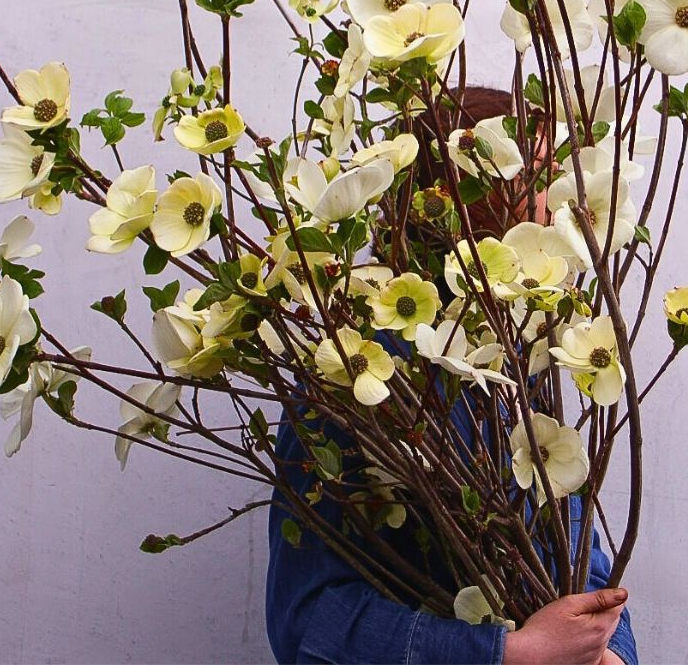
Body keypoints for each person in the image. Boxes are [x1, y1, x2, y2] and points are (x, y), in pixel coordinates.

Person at [265, 87, 638, 665]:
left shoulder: (537, 353)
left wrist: (610, 652)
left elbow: (575, 540)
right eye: (539, 179)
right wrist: (506, 654)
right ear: (465, 196)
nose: (559, 204)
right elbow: (308, 618)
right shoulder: (353, 367)